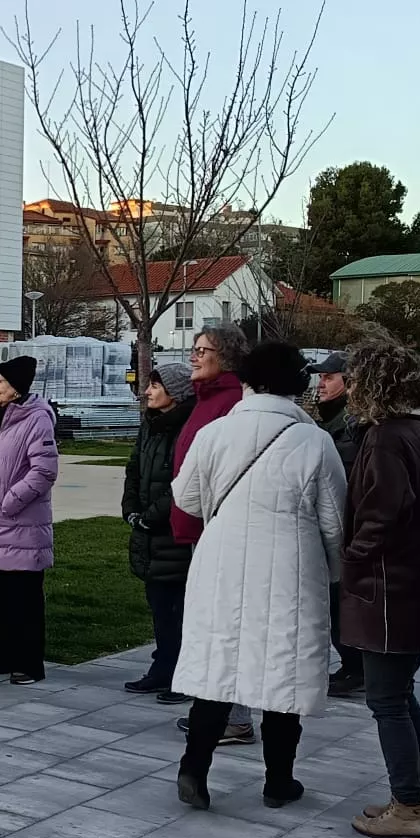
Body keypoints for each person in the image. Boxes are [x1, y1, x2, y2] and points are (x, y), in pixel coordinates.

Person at [172, 341, 346, 811]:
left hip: (221, 561)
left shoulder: (214, 432)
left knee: (217, 667)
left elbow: (186, 498)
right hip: (291, 564)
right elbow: (334, 519)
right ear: (298, 385)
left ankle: (194, 769)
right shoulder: (314, 440)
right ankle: (278, 781)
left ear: (247, 379)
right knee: (283, 674)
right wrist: (333, 571)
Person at [332, 338, 420, 838]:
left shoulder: (386, 437)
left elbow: (381, 515)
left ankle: (407, 804)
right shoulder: (418, 430)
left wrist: (352, 559)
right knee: (401, 696)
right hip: (419, 581)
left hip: (392, 587)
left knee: (387, 699)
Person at [172, 323, 254, 745]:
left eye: (201, 349)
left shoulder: (232, 402)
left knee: (224, 626)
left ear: (225, 356)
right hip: (197, 528)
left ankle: (234, 715)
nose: (194, 356)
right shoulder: (206, 399)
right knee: (211, 625)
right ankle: (222, 709)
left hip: (216, 529)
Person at [0, 356, 59, 686]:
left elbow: (44, 470)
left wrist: (10, 501)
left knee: (24, 600)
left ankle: (29, 663)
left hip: (20, 525)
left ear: (16, 386)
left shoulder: (37, 420)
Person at [122, 361, 194, 703]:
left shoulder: (188, 429)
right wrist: (131, 508)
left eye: (155, 386)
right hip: (150, 534)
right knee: (160, 608)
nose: (147, 391)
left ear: (175, 394)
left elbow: (184, 482)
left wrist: (152, 515)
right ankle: (162, 668)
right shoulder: (150, 425)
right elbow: (134, 468)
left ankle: (181, 675)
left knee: (177, 612)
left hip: (174, 536)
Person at [310, 352, 367, 697]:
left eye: (329, 377)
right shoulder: (331, 422)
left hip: (350, 527)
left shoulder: (353, 424)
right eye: (321, 377)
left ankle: (356, 666)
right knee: (336, 601)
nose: (321, 383)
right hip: (332, 523)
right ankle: (352, 664)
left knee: (344, 600)